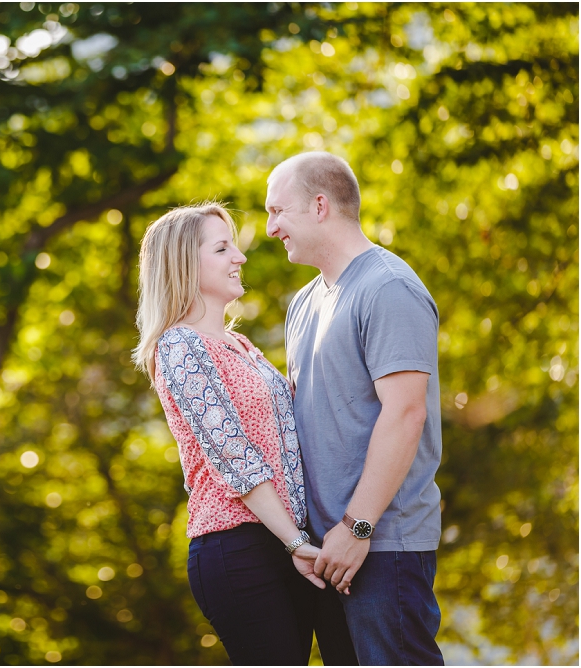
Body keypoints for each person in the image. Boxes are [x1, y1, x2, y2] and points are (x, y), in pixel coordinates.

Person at [133, 203, 357, 666]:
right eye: (222, 247)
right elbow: (235, 457)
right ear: (183, 264)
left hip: (284, 539)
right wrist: (295, 542)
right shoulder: (178, 346)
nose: (240, 256)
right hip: (237, 547)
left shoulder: (240, 345)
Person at [266, 151, 445, 665]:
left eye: (278, 211)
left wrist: (357, 527)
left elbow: (405, 413)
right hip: (328, 554)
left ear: (320, 205)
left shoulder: (387, 287)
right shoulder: (304, 303)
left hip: (382, 545)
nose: (271, 228)